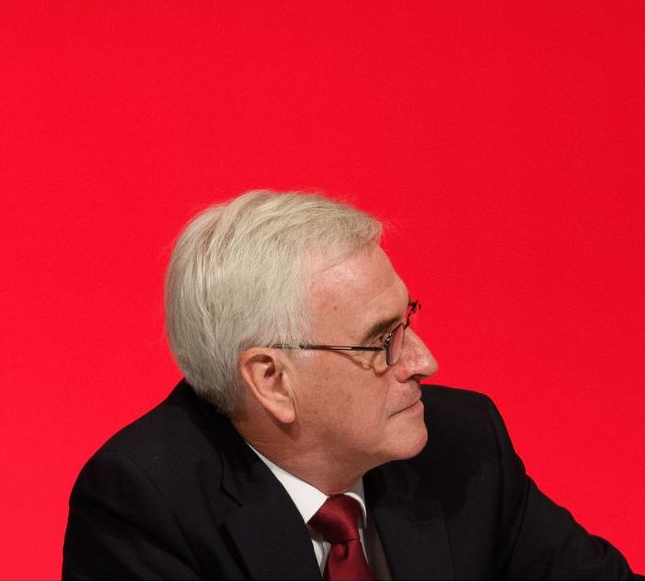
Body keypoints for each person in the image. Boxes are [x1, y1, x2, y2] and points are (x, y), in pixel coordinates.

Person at [63, 191, 637, 580]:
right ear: (272, 381)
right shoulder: (145, 504)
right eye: (380, 339)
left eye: (406, 320)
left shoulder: (462, 444)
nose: (424, 361)